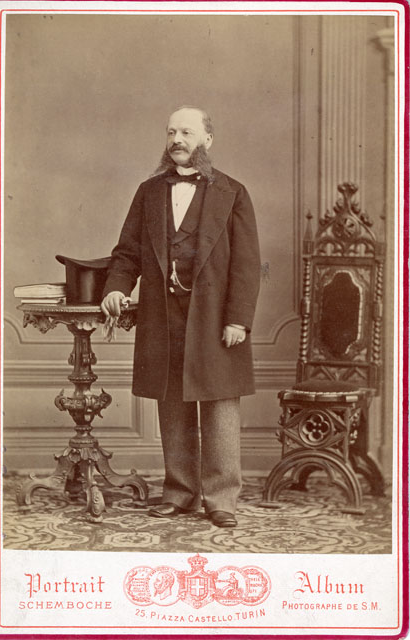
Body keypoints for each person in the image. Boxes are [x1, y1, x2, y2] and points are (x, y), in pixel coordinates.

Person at [101, 106, 260, 528]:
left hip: (215, 315)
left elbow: (247, 264)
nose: (177, 140)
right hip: (163, 314)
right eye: (172, 132)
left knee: (219, 404)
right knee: (172, 403)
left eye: (187, 132)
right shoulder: (149, 191)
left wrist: (238, 319)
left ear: (207, 139)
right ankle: (180, 492)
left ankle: (221, 499)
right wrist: (117, 287)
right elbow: (127, 252)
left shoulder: (233, 192)